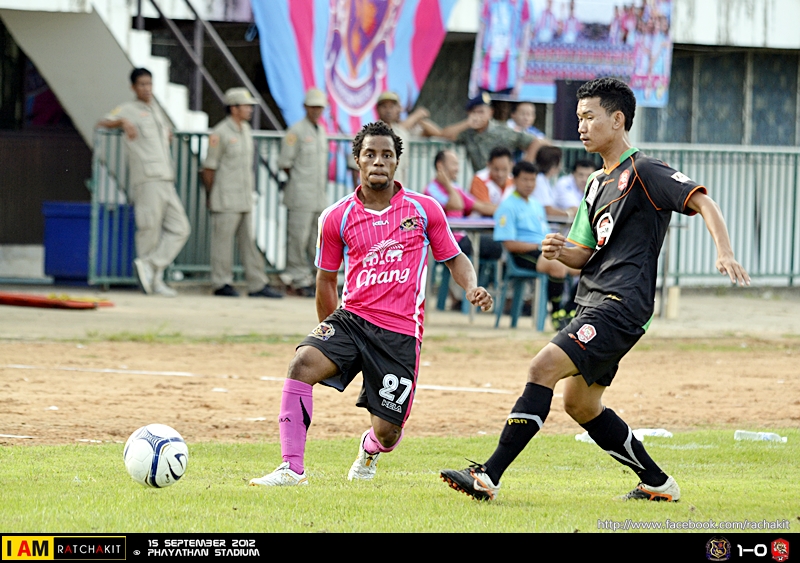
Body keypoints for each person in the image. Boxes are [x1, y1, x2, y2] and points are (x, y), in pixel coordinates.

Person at [440, 77, 750, 502]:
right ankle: (658, 483)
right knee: (580, 405)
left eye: (589, 117)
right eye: (578, 117)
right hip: (593, 301)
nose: (581, 126)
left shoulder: (644, 171)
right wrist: (559, 249)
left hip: (621, 304)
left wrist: (724, 252)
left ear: (618, 120)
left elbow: (702, 201)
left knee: (541, 369)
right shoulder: (595, 183)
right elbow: (582, 254)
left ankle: (487, 477)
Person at [248, 121, 493, 487]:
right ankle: (291, 469)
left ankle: (370, 448)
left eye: (386, 155)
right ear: (358, 161)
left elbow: (455, 258)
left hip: (400, 332)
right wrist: (327, 331)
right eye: (370, 154)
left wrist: (472, 287)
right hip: (351, 319)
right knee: (302, 363)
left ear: (396, 162)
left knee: (388, 432)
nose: (378, 161)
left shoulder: (424, 209)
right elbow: (325, 279)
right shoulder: (336, 216)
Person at [98, 68, 190, 297]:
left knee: (180, 228)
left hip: (165, 177)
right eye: (142, 84)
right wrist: (122, 122)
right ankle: (152, 281)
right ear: (133, 87)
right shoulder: (128, 109)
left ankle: (151, 266)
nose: (147, 88)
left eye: (149, 84)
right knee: (150, 228)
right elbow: (102, 122)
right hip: (148, 178)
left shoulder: (156, 109)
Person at [201, 88, 282, 299]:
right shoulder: (220, 133)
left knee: (249, 243)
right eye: (246, 106)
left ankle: (257, 284)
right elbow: (209, 168)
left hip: (244, 197)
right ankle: (221, 282)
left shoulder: (245, 129)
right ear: (233, 108)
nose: (250, 110)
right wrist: (211, 194)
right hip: (226, 197)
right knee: (223, 243)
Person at [494, 160, 576, 328]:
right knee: (557, 265)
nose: (529, 184)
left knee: (585, 265)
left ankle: (570, 310)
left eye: (533, 180)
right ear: (514, 180)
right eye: (525, 179)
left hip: (543, 250)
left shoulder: (536, 204)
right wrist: (539, 246)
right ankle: (556, 313)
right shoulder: (507, 206)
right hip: (521, 254)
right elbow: (509, 244)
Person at [278, 88, 330, 297]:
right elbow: (285, 163)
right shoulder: (296, 131)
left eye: (320, 108)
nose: (316, 111)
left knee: (316, 240)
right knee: (297, 238)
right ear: (305, 107)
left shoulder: (321, 131)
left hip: (318, 195)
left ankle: (314, 278)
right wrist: (299, 181)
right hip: (300, 194)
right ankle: (297, 278)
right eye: (313, 107)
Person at [439, 93, 547, 174]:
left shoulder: (503, 130)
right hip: (481, 181)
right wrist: (466, 123)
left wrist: (522, 168)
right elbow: (444, 134)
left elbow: (535, 142)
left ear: (490, 113)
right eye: (474, 112)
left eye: (481, 112)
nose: (477, 116)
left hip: (503, 179)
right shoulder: (467, 133)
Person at [425, 149, 501, 262]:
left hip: (462, 238)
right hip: (447, 242)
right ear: (440, 165)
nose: (458, 169)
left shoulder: (456, 188)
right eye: (454, 164)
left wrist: (506, 210)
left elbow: (481, 206)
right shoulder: (432, 189)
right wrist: (447, 184)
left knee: (496, 246)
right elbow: (457, 205)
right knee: (488, 246)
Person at [375, 91, 441, 188]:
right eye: (384, 107)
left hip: (397, 187)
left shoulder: (402, 132)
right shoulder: (370, 132)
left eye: (392, 107)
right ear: (378, 109)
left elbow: (439, 133)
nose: (388, 110)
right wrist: (416, 115)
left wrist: (419, 119)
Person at [533, 145, 571, 221]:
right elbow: (548, 211)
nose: (561, 166)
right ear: (553, 165)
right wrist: (569, 214)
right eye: (560, 162)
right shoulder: (539, 181)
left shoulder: (546, 180)